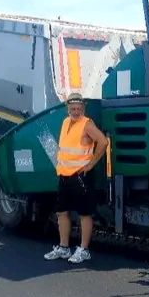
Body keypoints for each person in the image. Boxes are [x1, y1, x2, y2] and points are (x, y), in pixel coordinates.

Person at [44, 93, 109, 263]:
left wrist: (91, 164)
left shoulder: (87, 124)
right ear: (68, 109)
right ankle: (64, 247)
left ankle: (84, 250)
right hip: (64, 175)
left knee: (84, 213)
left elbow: (103, 141)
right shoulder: (65, 122)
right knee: (61, 212)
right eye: (72, 109)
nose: (75, 112)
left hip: (80, 176)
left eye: (78, 109)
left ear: (83, 109)